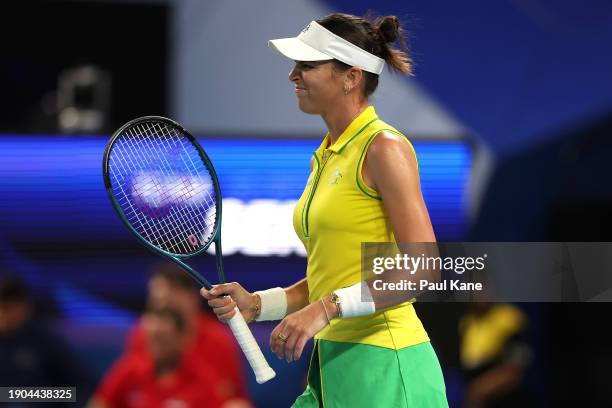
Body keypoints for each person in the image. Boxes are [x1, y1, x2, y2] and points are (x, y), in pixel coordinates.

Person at [201, 13, 449, 407]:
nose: (293, 75)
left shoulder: (384, 148)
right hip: (334, 366)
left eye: (308, 66)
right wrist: (259, 304)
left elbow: (423, 268)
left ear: (350, 76)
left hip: (387, 366)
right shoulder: (328, 155)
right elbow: (332, 275)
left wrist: (327, 308)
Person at [89, 264, 251, 408]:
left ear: (191, 298)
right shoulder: (144, 332)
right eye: (155, 304)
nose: (161, 313)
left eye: (168, 302)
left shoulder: (218, 340)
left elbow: (232, 399)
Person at [0, 273, 94, 407]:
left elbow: (79, 391)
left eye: (7, 308)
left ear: (25, 307)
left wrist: (13, 394)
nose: (1, 315)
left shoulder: (46, 342)